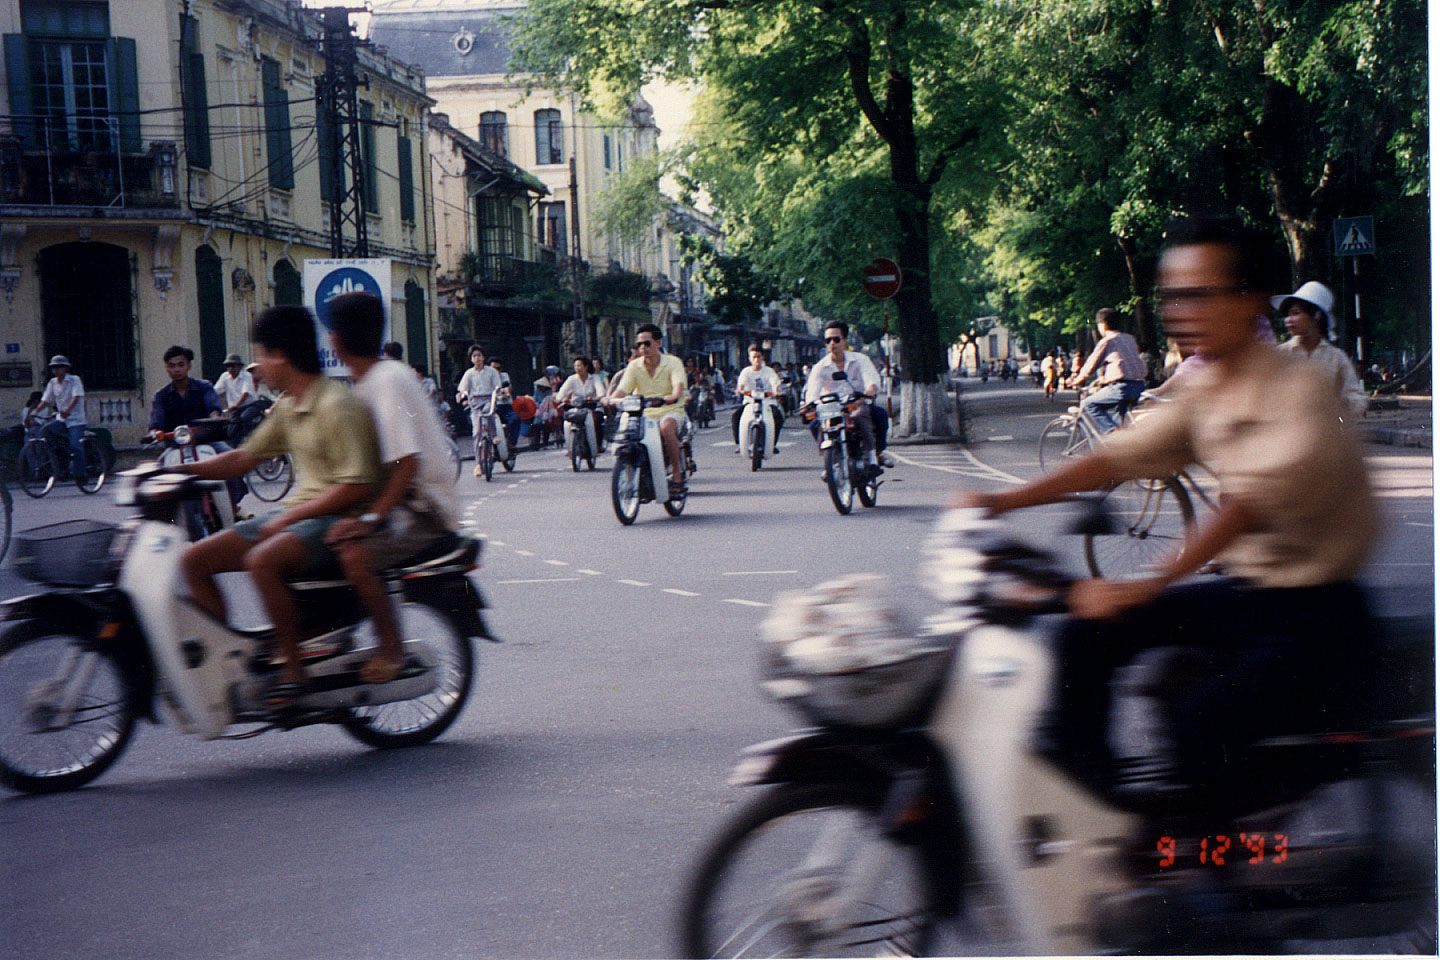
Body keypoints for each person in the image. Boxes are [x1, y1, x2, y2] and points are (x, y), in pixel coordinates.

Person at [960, 214, 1379, 799]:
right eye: (1171, 297)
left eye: (1198, 295)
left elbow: (1245, 509)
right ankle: (1098, 816)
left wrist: (1145, 585)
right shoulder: (1207, 383)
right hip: (1248, 595)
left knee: (1195, 723)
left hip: (1316, 615)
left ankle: (1210, 876)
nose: (1179, 312)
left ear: (1250, 301)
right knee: (1079, 637)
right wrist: (1001, 501)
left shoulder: (1299, 390)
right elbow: (1119, 458)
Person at [176, 306, 381, 708]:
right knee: (193, 560)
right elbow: (242, 459)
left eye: (261, 357)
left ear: (282, 355)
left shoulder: (337, 406)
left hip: (337, 521)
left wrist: (288, 516)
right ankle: (227, 661)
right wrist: (180, 472)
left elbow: (356, 486)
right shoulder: (288, 407)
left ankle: (294, 672)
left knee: (262, 561)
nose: (258, 370)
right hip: (302, 516)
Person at [323, 293, 458, 684]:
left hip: (423, 510)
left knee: (355, 557)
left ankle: (392, 649)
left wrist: (369, 519)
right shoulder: (368, 382)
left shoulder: (387, 381)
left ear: (337, 338)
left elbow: (406, 463)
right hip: (402, 502)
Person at [147, 345, 245, 509]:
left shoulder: (204, 387)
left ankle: (233, 506)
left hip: (205, 442)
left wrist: (215, 418)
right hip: (175, 446)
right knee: (156, 477)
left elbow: (213, 409)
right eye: (171, 365)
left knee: (231, 461)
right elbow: (155, 424)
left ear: (188, 366)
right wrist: (155, 433)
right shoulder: (161, 396)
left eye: (180, 364)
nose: (176, 369)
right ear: (166, 368)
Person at [607, 323, 689, 492]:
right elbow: (622, 389)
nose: (643, 348)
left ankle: (677, 474)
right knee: (625, 435)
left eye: (647, 343)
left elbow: (678, 384)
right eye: (640, 344)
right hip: (642, 413)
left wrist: (673, 396)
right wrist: (610, 399)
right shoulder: (634, 366)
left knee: (666, 427)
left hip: (670, 410)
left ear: (658, 343)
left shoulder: (673, 362)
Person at [802, 322, 895, 469]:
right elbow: (813, 392)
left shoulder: (861, 360)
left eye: (836, 339)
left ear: (845, 340)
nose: (832, 344)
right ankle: (833, 460)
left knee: (880, 415)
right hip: (832, 410)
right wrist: (810, 405)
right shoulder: (820, 367)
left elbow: (872, 383)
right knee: (814, 425)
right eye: (828, 340)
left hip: (857, 405)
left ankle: (875, 454)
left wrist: (866, 395)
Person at [1272, 281, 1368, 423]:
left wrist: (1343, 403)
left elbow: (1358, 398)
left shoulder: (1336, 358)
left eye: (1296, 313)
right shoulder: (1279, 355)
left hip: (1324, 436)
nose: (1288, 321)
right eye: (1287, 315)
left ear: (1316, 316)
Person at [1067, 308, 1146, 433]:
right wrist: (1103, 378)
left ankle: (1114, 434)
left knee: (1088, 404)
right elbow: (1123, 362)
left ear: (1102, 324)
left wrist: (1077, 380)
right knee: (1120, 418)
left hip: (1122, 388)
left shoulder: (1107, 341)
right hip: (1139, 385)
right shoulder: (1129, 339)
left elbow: (1090, 366)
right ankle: (1121, 445)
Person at [456, 344, 508, 476]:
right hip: (475, 402)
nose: (477, 358)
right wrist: (462, 394)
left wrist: (498, 392)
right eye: (474, 356)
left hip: (489, 399)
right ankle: (479, 464)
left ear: (483, 357)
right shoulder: (469, 373)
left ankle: (494, 434)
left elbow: (497, 386)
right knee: (477, 432)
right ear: (471, 359)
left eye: (479, 355)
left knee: (489, 412)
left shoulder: (491, 372)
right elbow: (463, 388)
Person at [32, 356, 86, 478]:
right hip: (62, 420)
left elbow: (76, 397)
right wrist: (35, 411)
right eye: (53, 368)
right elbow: (46, 400)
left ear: (65, 368)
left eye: (58, 367)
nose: (56, 370)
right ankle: (58, 461)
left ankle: (81, 474)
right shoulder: (52, 383)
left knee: (75, 446)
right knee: (45, 431)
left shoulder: (74, 380)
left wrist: (67, 410)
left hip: (76, 420)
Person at [731, 344, 784, 451]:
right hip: (749, 402)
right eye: (753, 357)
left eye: (758, 356)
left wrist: (776, 392)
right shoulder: (746, 372)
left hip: (768, 402)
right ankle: (740, 444)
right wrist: (738, 391)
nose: (756, 359)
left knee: (778, 418)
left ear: (762, 357)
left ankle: (772, 445)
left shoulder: (769, 371)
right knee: (735, 416)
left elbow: (774, 384)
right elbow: (740, 386)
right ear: (749, 358)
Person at [555, 356, 605, 458]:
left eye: (579, 366)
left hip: (591, 407)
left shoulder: (594, 378)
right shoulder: (571, 379)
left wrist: (599, 397)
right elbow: (563, 391)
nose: (577, 368)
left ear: (586, 367)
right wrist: (559, 398)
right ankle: (569, 447)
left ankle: (597, 445)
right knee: (565, 420)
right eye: (576, 366)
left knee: (597, 420)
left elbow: (600, 390)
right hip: (576, 407)